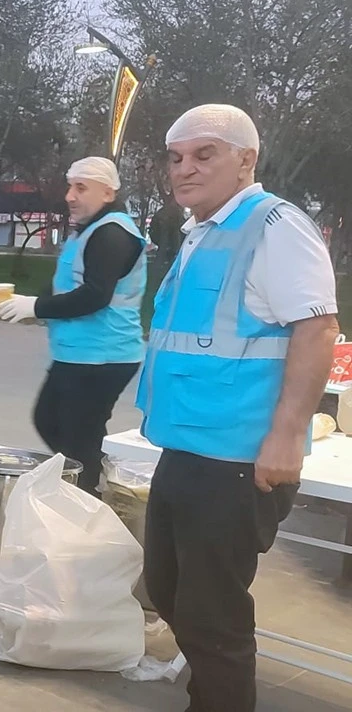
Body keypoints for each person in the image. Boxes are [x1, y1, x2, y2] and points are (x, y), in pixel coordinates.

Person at [137, 104, 338, 712]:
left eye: (204, 155)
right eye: (175, 158)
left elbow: (319, 329)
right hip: (186, 447)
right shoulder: (204, 231)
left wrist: (286, 436)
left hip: (236, 458)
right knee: (170, 592)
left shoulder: (273, 225)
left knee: (212, 616)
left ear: (246, 159)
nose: (184, 170)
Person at [0, 157, 147, 498]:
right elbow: (66, 283)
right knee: (52, 422)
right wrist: (28, 302)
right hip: (81, 353)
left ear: (108, 193)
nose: (69, 196)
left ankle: (88, 497)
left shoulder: (112, 234)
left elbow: (95, 295)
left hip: (104, 355)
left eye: (81, 187)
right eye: (70, 186)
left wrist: (35, 306)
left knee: (76, 435)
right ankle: (96, 479)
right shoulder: (90, 230)